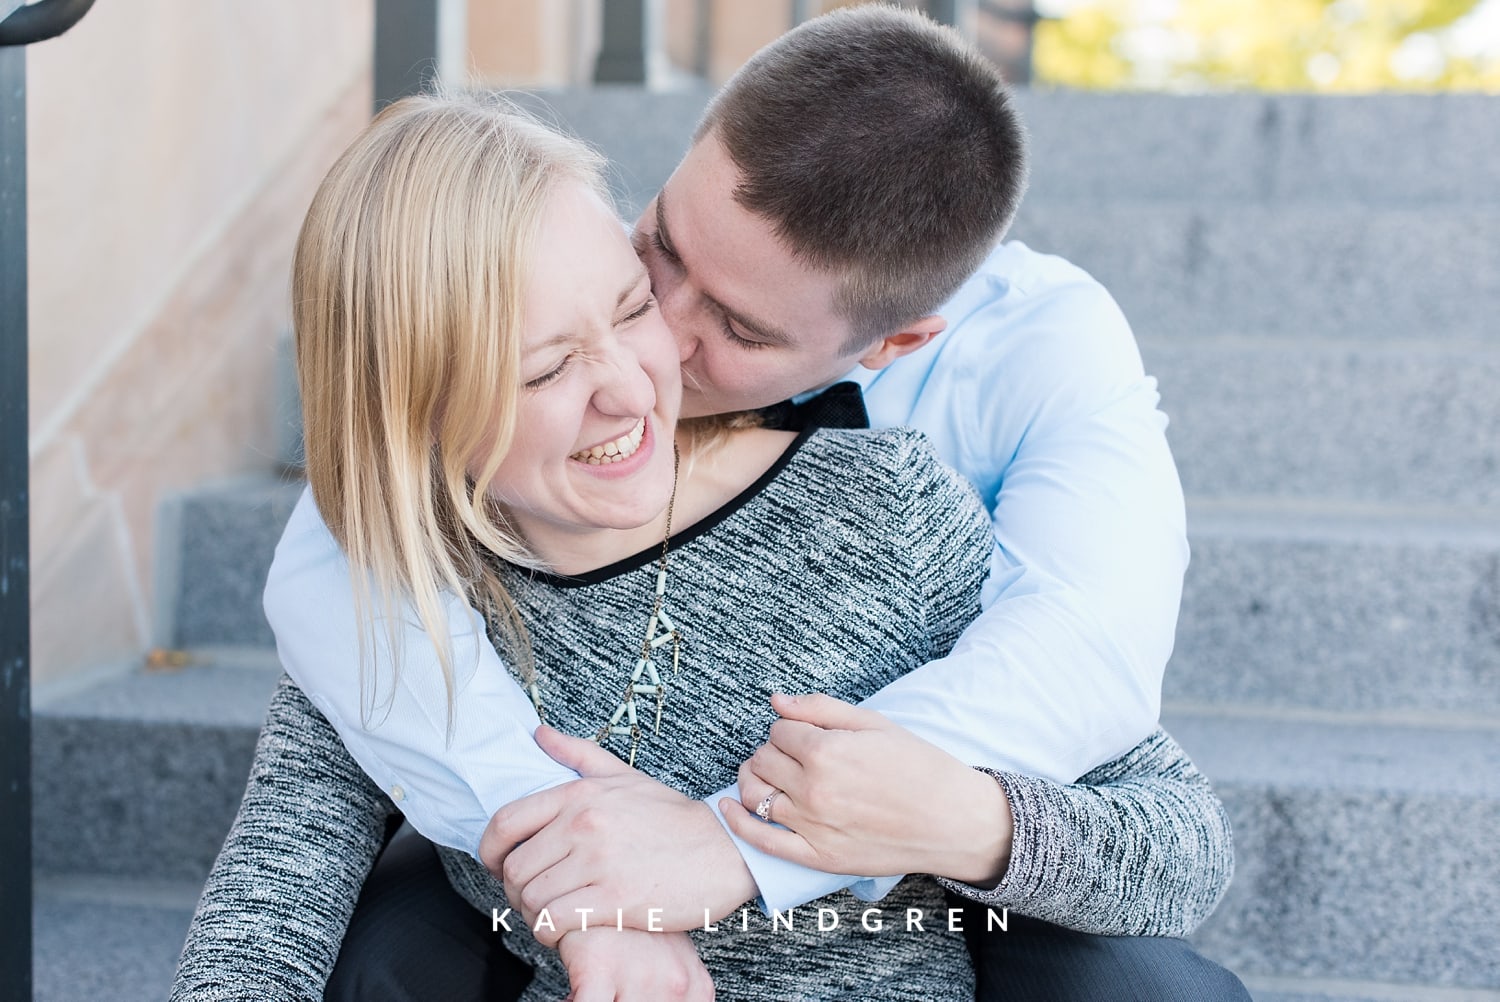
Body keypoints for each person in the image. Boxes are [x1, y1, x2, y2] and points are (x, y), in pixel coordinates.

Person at [170, 89, 1243, 1000]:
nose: (640, 381)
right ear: (416, 414)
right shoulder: (402, 596)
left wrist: (970, 823)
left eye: (631, 309)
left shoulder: (884, 504)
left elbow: (1176, 841)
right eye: (546, 370)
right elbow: (271, 899)